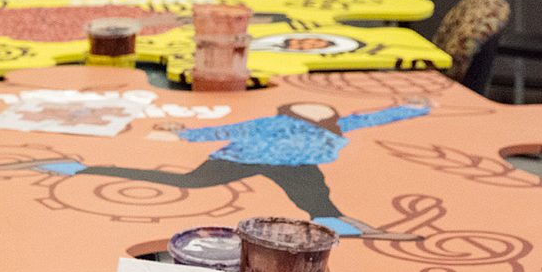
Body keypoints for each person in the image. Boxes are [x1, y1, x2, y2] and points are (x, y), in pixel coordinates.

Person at [24, 100, 430, 237]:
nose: (317, 115)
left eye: (321, 113)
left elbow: (372, 117)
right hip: (238, 159)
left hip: (296, 165)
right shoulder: (269, 123)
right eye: (307, 111)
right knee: (187, 182)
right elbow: (227, 130)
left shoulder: (336, 125)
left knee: (315, 195)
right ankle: (78, 169)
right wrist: (185, 134)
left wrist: (415, 108)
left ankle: (337, 224)